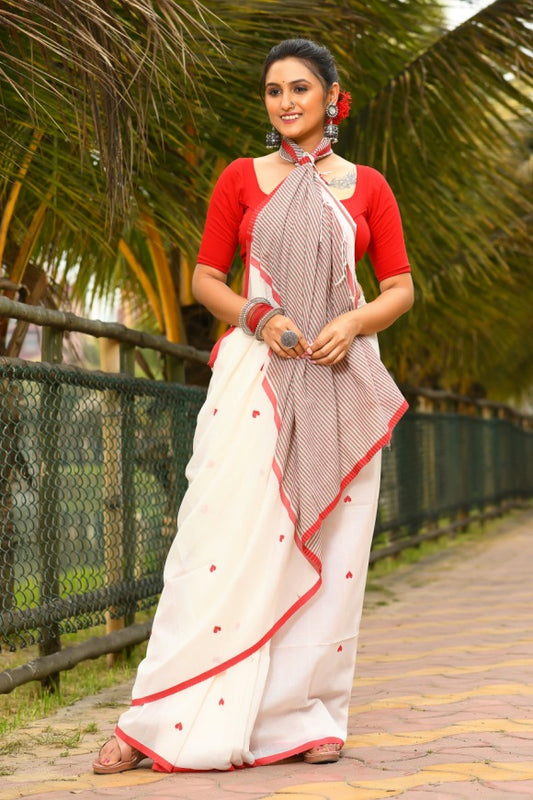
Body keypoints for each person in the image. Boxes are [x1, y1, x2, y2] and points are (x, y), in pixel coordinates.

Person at [92, 37, 414, 774]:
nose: (287, 102)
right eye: (274, 91)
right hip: (256, 378)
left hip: (342, 378)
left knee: (334, 554)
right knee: (215, 546)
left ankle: (312, 717)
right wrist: (260, 318)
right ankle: (154, 717)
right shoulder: (241, 178)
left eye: (300, 88)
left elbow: (398, 285)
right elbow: (208, 276)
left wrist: (353, 324)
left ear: (334, 98)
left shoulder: (367, 187)